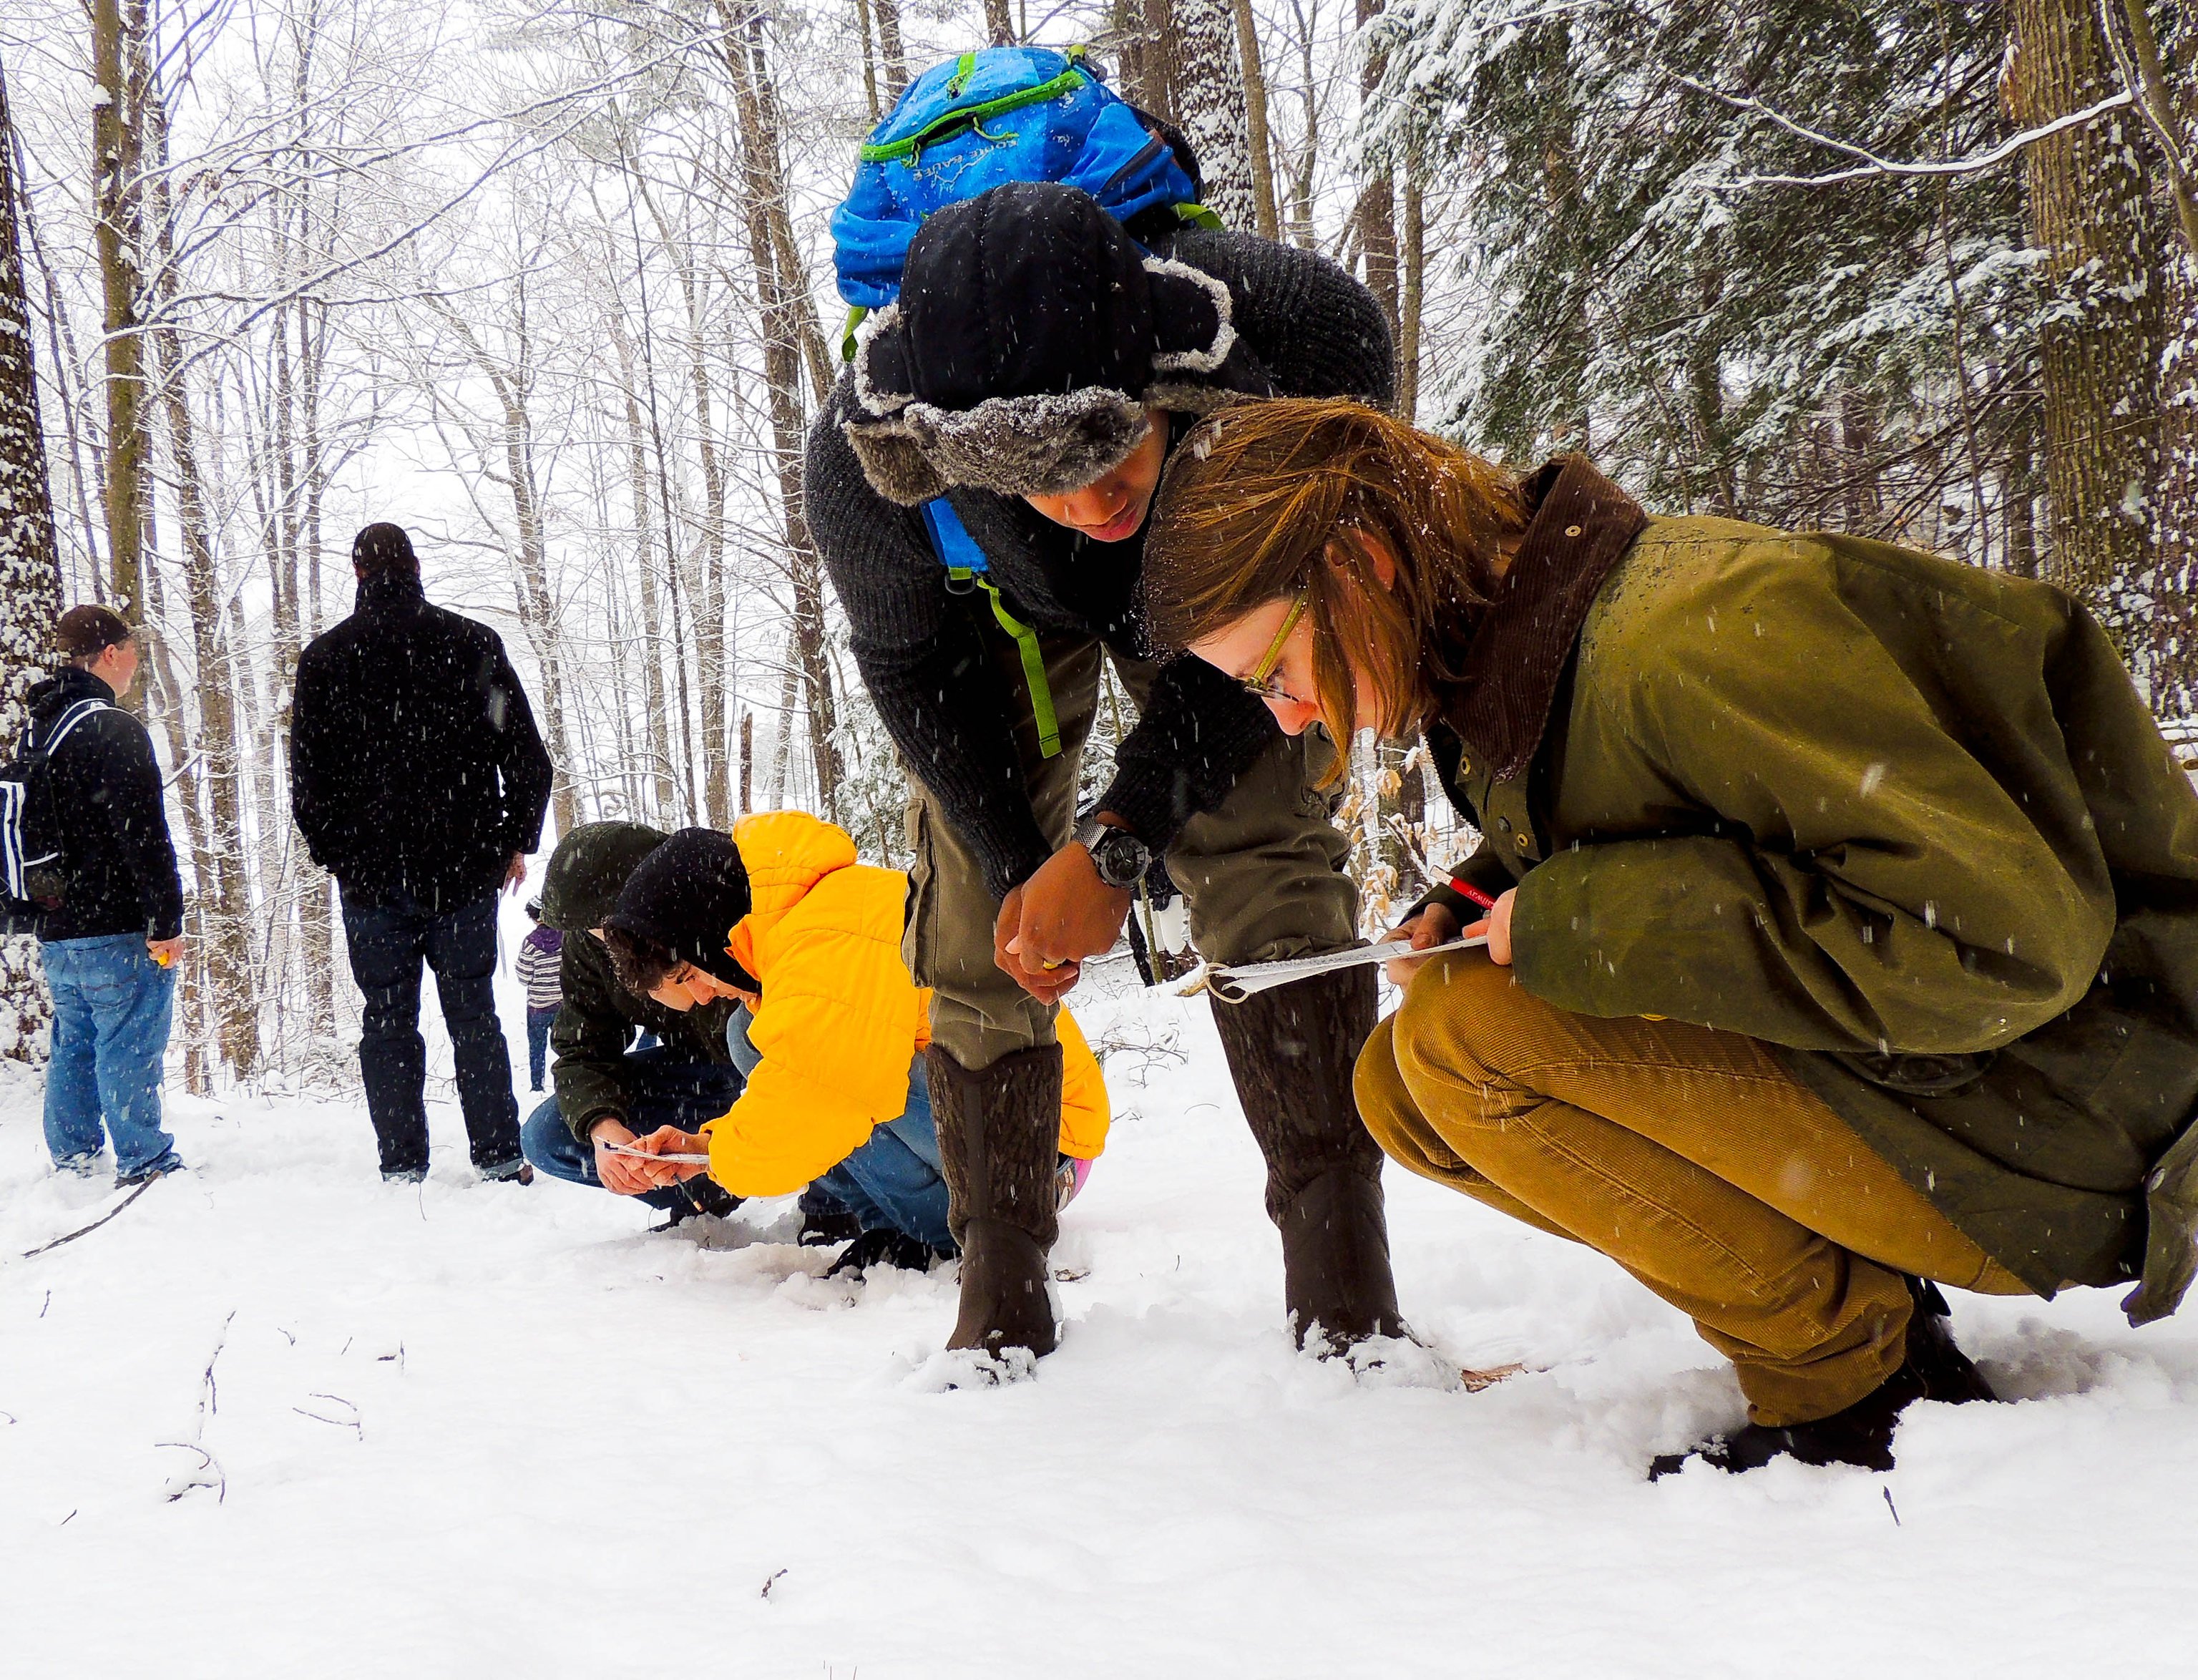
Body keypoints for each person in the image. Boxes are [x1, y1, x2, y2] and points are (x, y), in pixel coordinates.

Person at [1140, 396, 2198, 1475]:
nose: (1286, 716)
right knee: (1404, 1091)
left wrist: (1582, 922)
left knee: (1465, 1045)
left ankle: (1851, 1379)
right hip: (1975, 1099)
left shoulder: (1685, 636)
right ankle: (1869, 1304)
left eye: (1272, 673)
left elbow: (2003, 942)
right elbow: (1699, 823)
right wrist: (1479, 896)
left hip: (2074, 1136)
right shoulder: (1533, 655)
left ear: (1361, 563)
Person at [808, 178, 1398, 1360]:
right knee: (981, 922)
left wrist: (1122, 835)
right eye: (1046, 482)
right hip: (993, 606)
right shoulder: (864, 473)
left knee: (1263, 846)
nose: (1085, 503)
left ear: (1164, 378)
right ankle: (1001, 1273)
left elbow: (1272, 654)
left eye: (1110, 458)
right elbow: (917, 687)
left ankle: (1344, 1274)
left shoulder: (1295, 344)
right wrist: (1029, 870)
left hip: (1216, 559)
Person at [605, 817, 1109, 1278]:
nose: (701, 994)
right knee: (753, 1039)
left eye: (690, 973)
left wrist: (713, 1158)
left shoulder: (826, 943)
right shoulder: (811, 920)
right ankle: (889, 1226)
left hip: (1038, 1161)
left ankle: (944, 1236)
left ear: (708, 931)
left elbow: (812, 1106)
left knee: (838, 1088)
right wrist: (702, 1148)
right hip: (1021, 1128)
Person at [290, 522, 555, 1184]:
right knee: (473, 1013)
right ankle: (497, 1154)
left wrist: (343, 858)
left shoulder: (326, 661)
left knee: (386, 1019)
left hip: (372, 881)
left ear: (358, 574)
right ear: (414, 567)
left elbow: (308, 785)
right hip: (463, 870)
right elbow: (526, 757)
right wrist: (513, 842)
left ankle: (403, 1164)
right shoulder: (472, 646)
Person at [516, 822, 748, 1226]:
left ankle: (832, 1203)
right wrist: (605, 1128)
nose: (607, 944)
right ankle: (700, 1195)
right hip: (697, 1075)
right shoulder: (591, 947)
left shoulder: (717, 899)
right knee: (547, 1135)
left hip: (767, 1066)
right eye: (594, 934)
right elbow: (583, 1048)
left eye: (607, 931)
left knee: (749, 1037)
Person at [29, 606, 187, 1185]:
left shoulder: (41, 729)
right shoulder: (114, 729)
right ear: (111, 655)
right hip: (115, 926)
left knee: (74, 1042)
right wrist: (166, 921)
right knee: (129, 1042)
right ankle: (145, 1160)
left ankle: (73, 1157)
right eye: (133, 650)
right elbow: (146, 838)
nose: (137, 662)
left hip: (57, 930)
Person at [516, 900, 563, 1093]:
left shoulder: (530, 943)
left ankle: (537, 1085)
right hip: (561, 1003)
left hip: (538, 1006)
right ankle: (566, 1081)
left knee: (537, 1047)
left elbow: (524, 976)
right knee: (565, 1046)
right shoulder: (564, 937)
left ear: (534, 917)